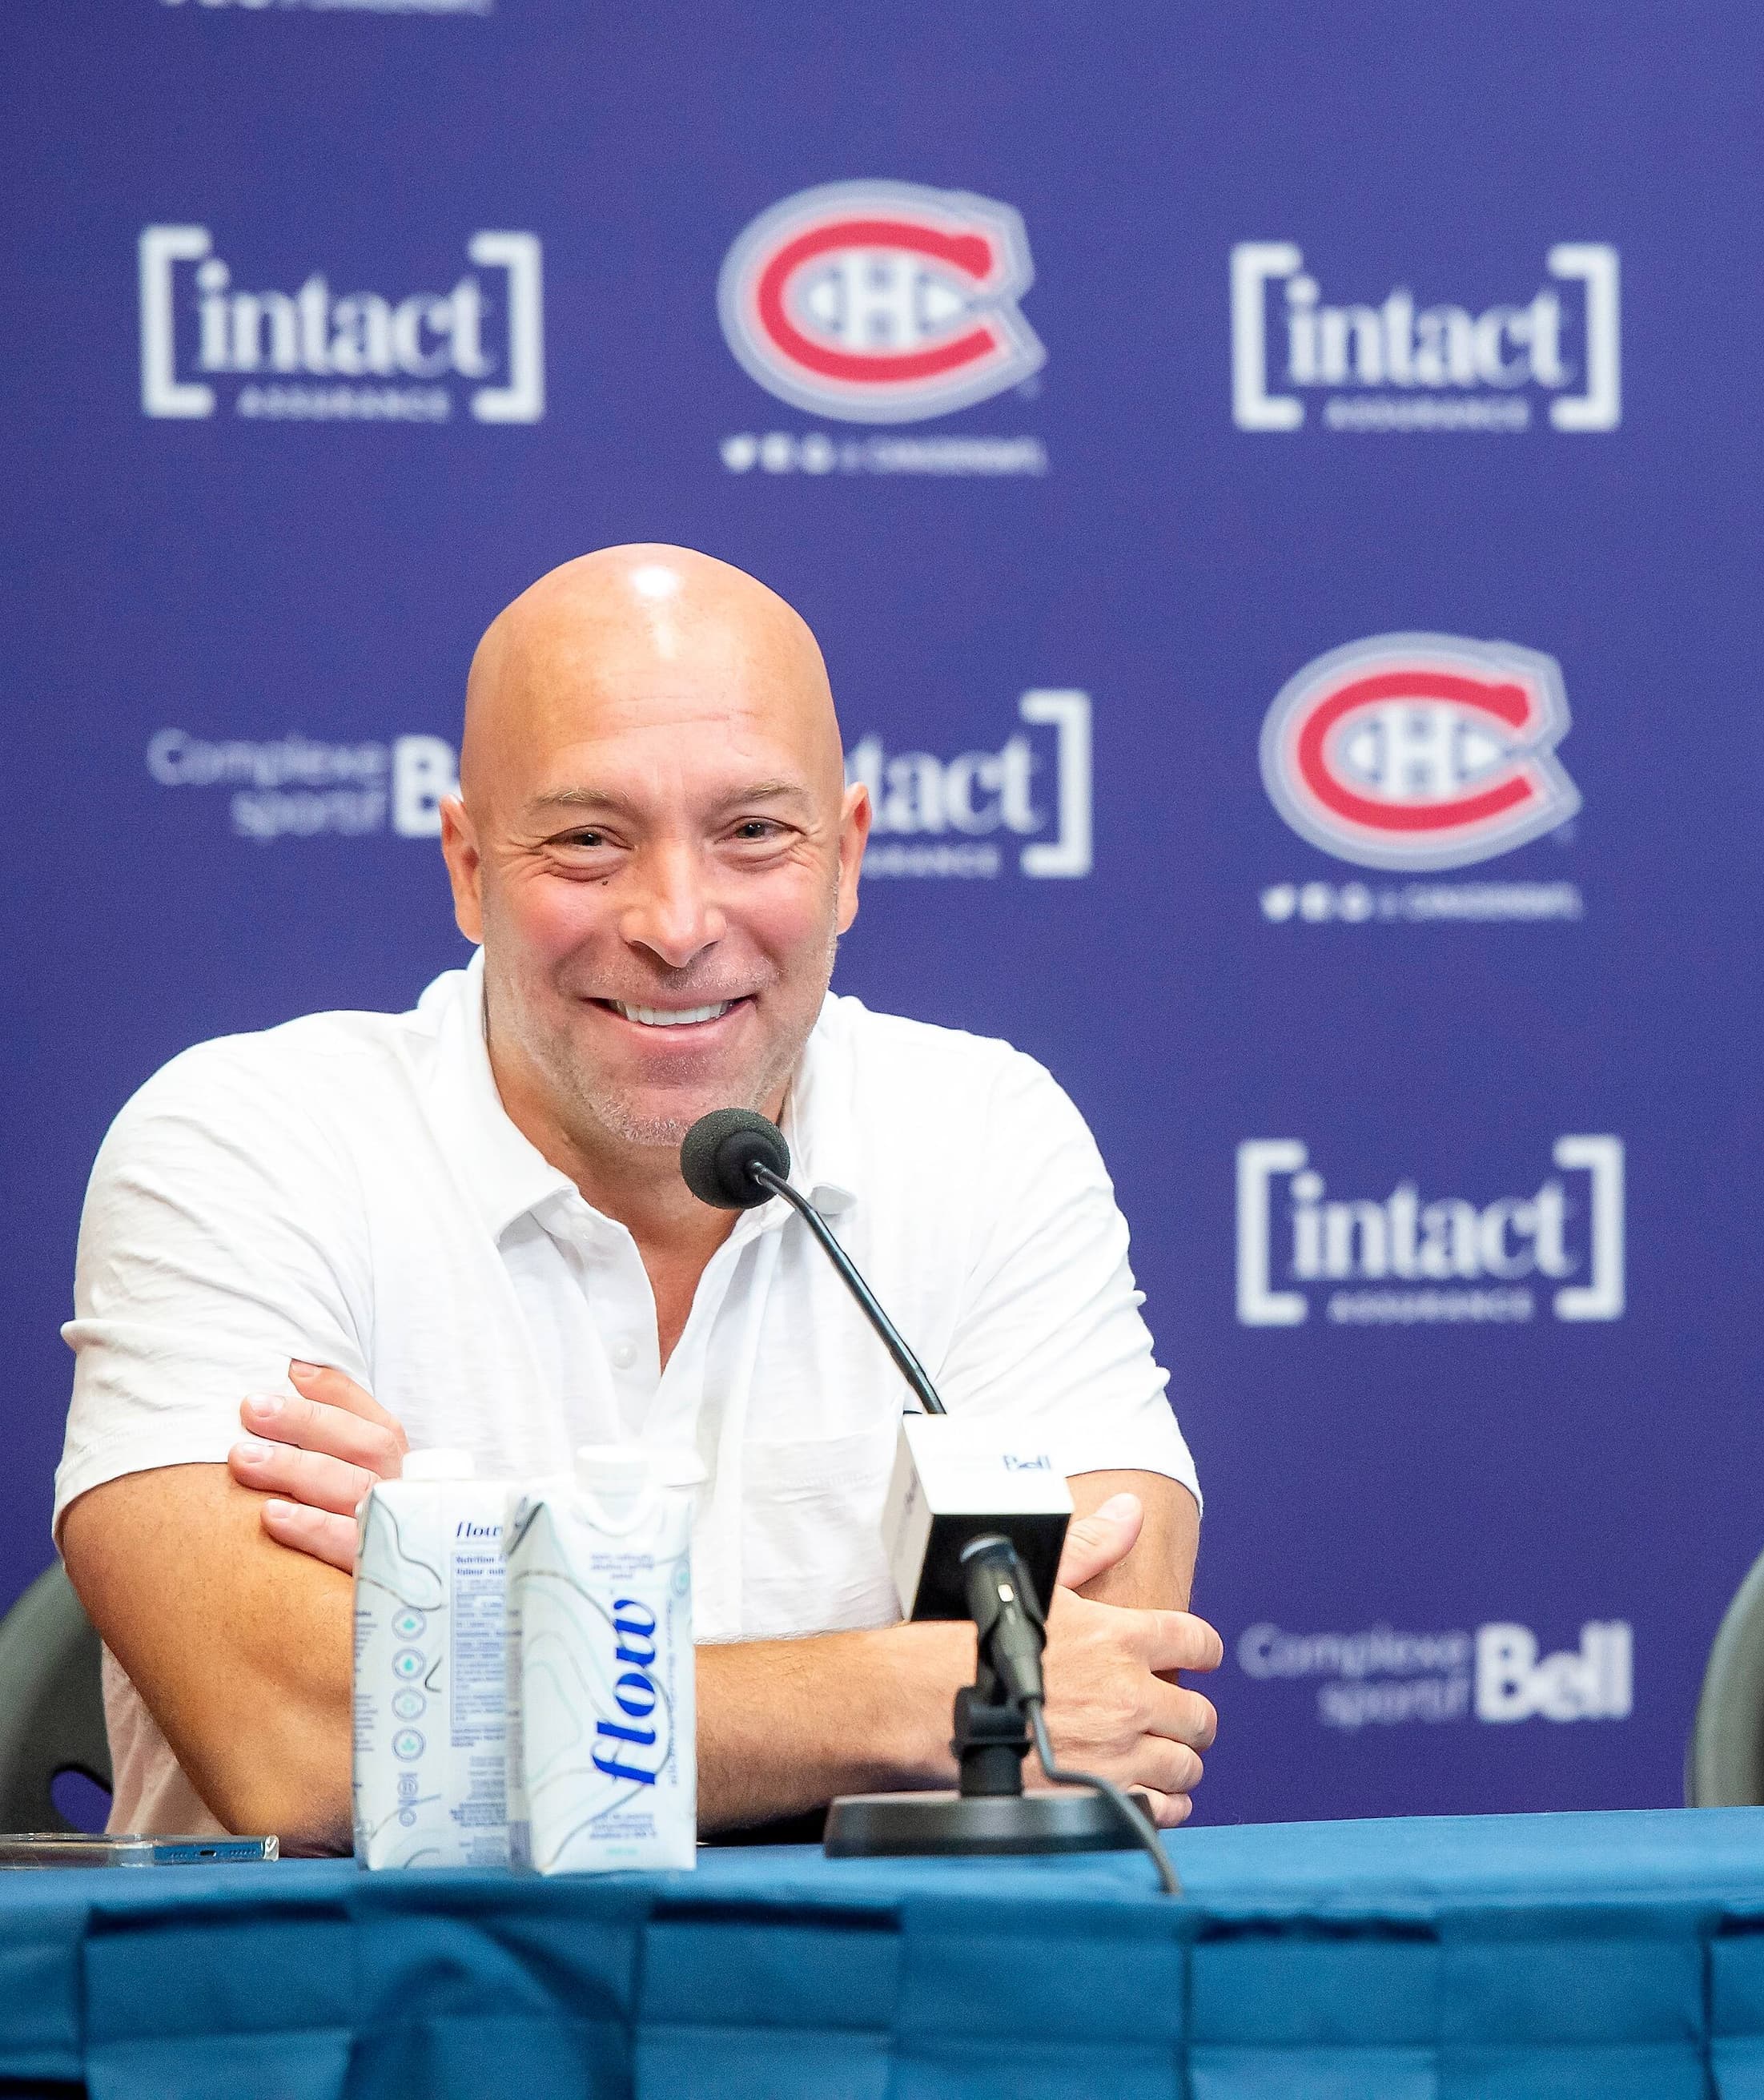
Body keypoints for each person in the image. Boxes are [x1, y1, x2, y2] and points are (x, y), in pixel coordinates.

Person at [57, 545, 1219, 1849]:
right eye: (588, 840)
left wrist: (460, 1611)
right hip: (367, 1987)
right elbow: (298, 1738)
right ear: (468, 866)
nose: (676, 922)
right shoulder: (249, 1144)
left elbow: (1097, 1691)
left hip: (864, 1985)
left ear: (847, 855)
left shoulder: (986, 1133)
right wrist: (924, 1690)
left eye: (755, 833)